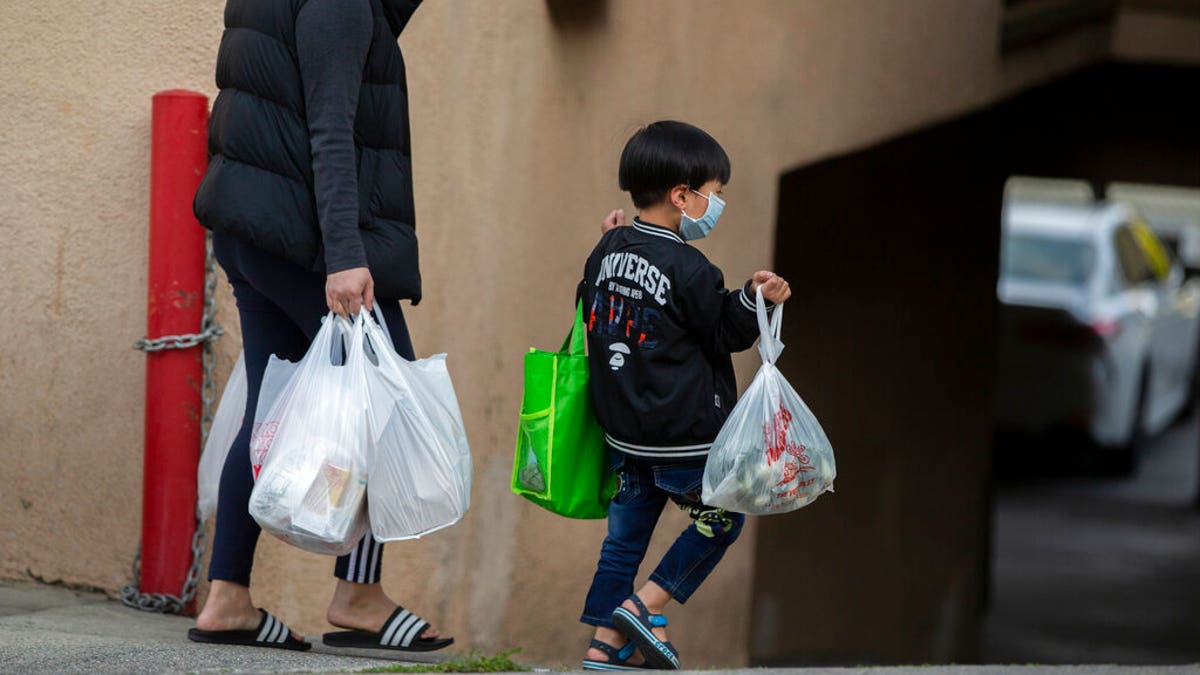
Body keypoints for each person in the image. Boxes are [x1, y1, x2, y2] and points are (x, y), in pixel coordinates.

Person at [186, 0, 452, 652]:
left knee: (267, 405)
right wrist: (345, 258)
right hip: (306, 242)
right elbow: (330, 130)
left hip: (253, 231)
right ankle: (358, 594)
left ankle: (227, 596)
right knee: (387, 399)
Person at [576, 121, 791, 670]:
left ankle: (604, 648)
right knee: (722, 519)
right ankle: (642, 607)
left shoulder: (606, 248)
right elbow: (725, 330)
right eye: (713, 194)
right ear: (682, 195)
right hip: (682, 441)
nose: (715, 205)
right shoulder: (692, 267)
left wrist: (610, 238)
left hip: (623, 434)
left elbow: (590, 302)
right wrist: (753, 297)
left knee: (623, 541)